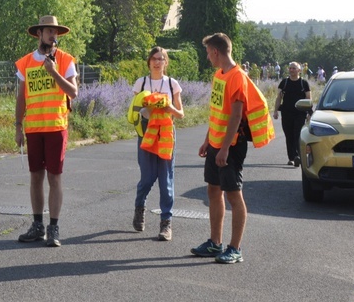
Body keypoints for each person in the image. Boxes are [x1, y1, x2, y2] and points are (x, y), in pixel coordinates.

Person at [191, 33, 274, 264]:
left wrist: (225, 148)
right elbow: (218, 110)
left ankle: (235, 248)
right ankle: (214, 243)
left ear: (216, 52)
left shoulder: (237, 76)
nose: (207, 57)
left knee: (233, 195)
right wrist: (208, 139)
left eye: (208, 53)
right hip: (216, 143)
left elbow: (236, 115)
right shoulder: (218, 74)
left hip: (231, 146)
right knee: (213, 191)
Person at [15, 15, 78, 247]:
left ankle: (53, 227)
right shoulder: (25, 63)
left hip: (56, 127)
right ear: (39, 34)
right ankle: (37, 225)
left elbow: (73, 92)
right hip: (33, 128)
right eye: (48, 31)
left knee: (54, 177)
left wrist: (54, 72)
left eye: (56, 32)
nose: (53, 35)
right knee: (35, 177)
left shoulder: (65, 60)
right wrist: (17, 126)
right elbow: (20, 98)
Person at [132, 47, 184, 241]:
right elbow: (134, 111)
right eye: (154, 58)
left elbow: (180, 113)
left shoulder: (172, 84)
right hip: (146, 133)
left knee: (166, 179)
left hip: (166, 135)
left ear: (166, 62)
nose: (157, 62)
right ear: (149, 61)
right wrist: (148, 109)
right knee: (147, 177)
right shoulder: (141, 83)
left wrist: (168, 107)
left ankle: (166, 223)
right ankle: (139, 207)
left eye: (161, 59)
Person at [273, 62, 311, 167]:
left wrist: (309, 113)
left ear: (299, 70)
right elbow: (279, 97)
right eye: (290, 68)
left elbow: (308, 98)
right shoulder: (284, 82)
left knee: (297, 134)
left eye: (294, 68)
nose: (291, 70)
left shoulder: (304, 83)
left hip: (300, 113)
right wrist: (275, 111)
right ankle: (292, 158)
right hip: (286, 113)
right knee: (288, 135)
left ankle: (298, 156)